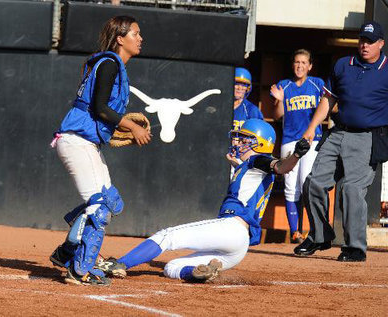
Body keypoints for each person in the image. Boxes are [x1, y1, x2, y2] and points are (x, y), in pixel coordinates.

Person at [93, 119, 310, 282]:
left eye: (245, 139)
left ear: (259, 144)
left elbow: (281, 167)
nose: (239, 142)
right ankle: (202, 272)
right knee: (172, 268)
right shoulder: (248, 166)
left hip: (232, 228)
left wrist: (296, 156)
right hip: (238, 248)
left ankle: (120, 263)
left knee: (166, 236)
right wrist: (237, 165)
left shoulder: (257, 160)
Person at [49, 16, 151, 285]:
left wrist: (115, 126)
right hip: (76, 141)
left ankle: (67, 252)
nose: (140, 38)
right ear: (120, 38)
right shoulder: (108, 64)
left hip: (83, 141)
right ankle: (79, 270)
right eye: (135, 34)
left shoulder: (110, 64)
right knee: (100, 206)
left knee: (111, 200)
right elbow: (100, 109)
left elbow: (100, 111)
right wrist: (131, 126)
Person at [294, 21, 388, 262]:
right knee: (313, 183)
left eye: (370, 41)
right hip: (337, 133)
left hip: (367, 137)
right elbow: (328, 99)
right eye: (362, 40)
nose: (365, 45)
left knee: (352, 190)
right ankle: (319, 236)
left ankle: (355, 247)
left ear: (381, 43)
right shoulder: (343, 65)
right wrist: (311, 128)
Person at [270, 49, 325, 243]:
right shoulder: (284, 85)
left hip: (311, 139)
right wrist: (278, 99)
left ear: (310, 66)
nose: (299, 66)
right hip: (289, 140)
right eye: (296, 62)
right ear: (292, 65)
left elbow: (331, 107)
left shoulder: (317, 84)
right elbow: (277, 115)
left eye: (303, 62)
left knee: (306, 184)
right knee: (290, 186)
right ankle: (295, 231)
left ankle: (314, 231)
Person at [233, 67, 264, 132]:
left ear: (248, 88)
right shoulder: (221, 106)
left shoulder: (252, 110)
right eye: (236, 83)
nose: (240, 88)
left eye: (244, 85)